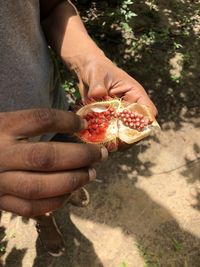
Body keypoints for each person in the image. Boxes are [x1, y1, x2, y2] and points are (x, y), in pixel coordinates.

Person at [0, 0, 157, 257]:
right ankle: (44, 220)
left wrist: (90, 61)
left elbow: (52, 7)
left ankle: (65, 194)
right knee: (32, 196)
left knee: (65, 171)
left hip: (57, 110)